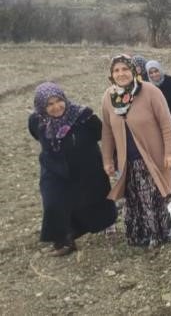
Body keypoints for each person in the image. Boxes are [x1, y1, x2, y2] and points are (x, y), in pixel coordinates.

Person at [28, 83, 117, 256]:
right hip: (53, 169)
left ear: (64, 99)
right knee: (53, 202)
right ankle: (63, 241)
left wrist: (110, 159)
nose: (56, 107)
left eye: (59, 101)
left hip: (87, 167)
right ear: (41, 107)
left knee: (93, 198)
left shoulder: (83, 116)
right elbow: (37, 136)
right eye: (49, 104)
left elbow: (102, 134)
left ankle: (107, 224)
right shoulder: (36, 120)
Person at [101, 54, 171, 247]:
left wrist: (170, 153)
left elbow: (166, 124)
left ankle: (159, 234)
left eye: (125, 69)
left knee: (154, 196)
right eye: (116, 70)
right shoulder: (109, 97)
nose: (121, 74)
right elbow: (107, 131)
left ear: (134, 71)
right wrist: (108, 159)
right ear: (111, 74)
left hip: (153, 156)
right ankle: (140, 235)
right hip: (126, 161)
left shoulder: (149, 91)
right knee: (134, 198)